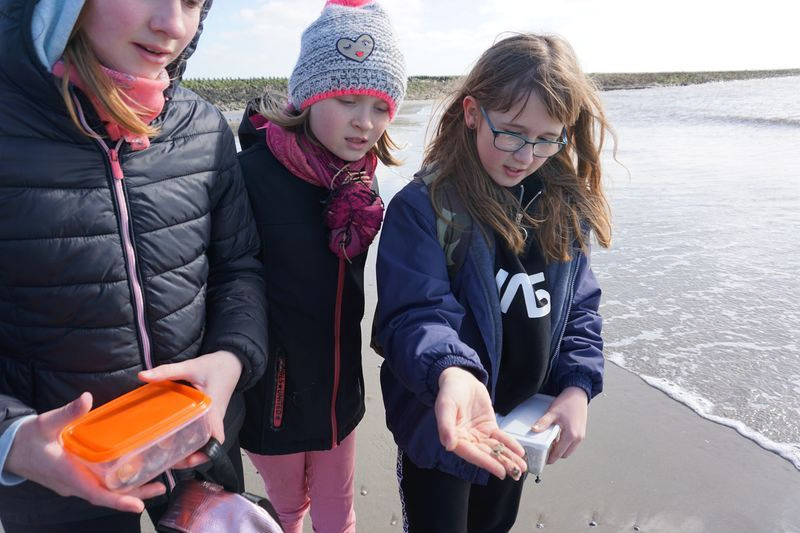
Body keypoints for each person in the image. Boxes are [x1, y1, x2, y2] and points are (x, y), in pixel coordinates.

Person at [0, 0, 268, 531]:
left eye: (193, 2)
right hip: (56, 478)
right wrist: (13, 439)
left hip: (198, 441)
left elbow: (238, 267)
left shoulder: (203, 126)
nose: (174, 25)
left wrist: (231, 358)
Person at [373, 33, 613, 532]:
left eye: (547, 138)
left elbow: (579, 309)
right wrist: (451, 372)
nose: (526, 154)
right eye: (512, 133)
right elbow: (415, 313)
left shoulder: (564, 211)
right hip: (444, 424)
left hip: (521, 426)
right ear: (472, 113)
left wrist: (577, 386)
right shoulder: (425, 208)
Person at [235, 1, 406, 532]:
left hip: (339, 389)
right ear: (307, 96)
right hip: (271, 392)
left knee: (339, 511)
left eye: (381, 107)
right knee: (287, 508)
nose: (365, 122)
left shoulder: (360, 181)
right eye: (347, 100)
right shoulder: (247, 176)